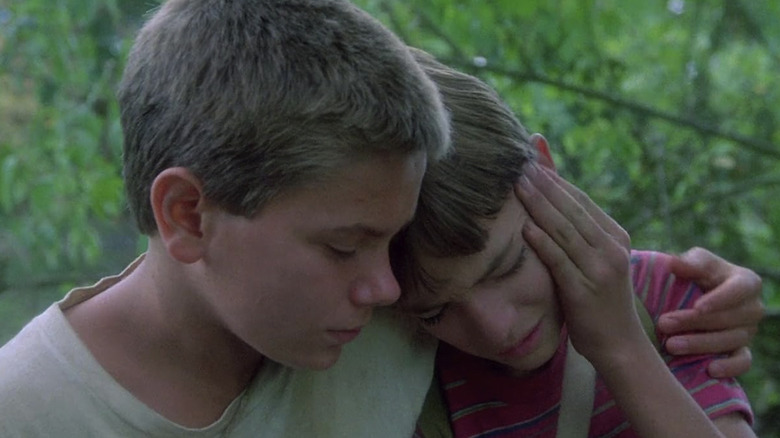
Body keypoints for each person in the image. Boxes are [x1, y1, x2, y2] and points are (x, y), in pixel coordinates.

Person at [0, 0, 450, 436]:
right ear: (188, 216)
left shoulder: (418, 323)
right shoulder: (23, 415)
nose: (387, 288)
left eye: (394, 240)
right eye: (344, 247)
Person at [393, 49, 758, 437]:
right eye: (435, 312)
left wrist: (621, 345)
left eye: (509, 265)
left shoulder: (659, 299)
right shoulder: (402, 368)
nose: (497, 329)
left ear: (545, 169)